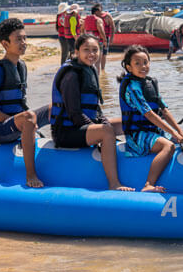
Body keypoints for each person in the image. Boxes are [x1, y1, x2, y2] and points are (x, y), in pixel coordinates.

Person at [50, 34, 133, 191]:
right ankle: (114, 183)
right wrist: (99, 133)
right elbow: (74, 114)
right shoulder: (72, 75)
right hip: (66, 132)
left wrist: (103, 124)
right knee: (106, 132)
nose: (91, 54)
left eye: (95, 50)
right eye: (86, 50)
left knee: (128, 122)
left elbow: (96, 109)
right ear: (76, 52)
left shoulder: (91, 70)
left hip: (83, 126)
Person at [0, 18, 50, 188]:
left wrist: (24, 122)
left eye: (25, 38)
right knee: (28, 117)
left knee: (53, 108)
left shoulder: (21, 67)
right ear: (5, 43)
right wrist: (20, 123)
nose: (23, 43)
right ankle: (30, 174)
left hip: (18, 123)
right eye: (18, 39)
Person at [117, 45, 183, 192]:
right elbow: (148, 114)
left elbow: (164, 110)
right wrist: (173, 134)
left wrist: (180, 132)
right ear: (129, 67)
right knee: (169, 146)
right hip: (137, 136)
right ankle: (148, 184)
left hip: (153, 132)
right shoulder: (132, 87)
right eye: (137, 63)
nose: (143, 66)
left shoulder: (150, 82)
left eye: (145, 62)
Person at [80, 5, 107, 74]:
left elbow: (82, 30)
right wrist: (105, 40)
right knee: (97, 62)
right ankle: (97, 79)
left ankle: (89, 76)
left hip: (88, 41)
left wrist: (84, 38)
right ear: (96, 12)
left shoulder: (86, 19)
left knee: (89, 60)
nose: (101, 13)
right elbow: (101, 31)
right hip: (97, 42)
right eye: (100, 12)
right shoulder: (98, 20)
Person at [97, 4, 114, 72]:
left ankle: (103, 69)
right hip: (97, 38)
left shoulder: (107, 16)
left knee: (104, 54)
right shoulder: (95, 16)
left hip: (105, 37)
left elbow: (113, 27)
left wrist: (112, 38)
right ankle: (97, 69)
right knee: (97, 53)